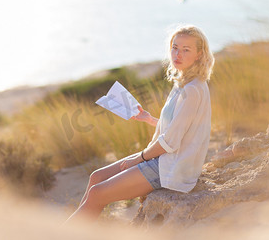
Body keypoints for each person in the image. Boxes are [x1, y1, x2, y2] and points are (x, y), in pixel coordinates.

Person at [66, 25, 215, 223]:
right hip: (164, 157)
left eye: (186, 50)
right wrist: (149, 119)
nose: (177, 54)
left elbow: (171, 142)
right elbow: (179, 128)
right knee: (96, 177)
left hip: (173, 167)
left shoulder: (193, 90)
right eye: (175, 47)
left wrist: (140, 158)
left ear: (199, 54)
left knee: (97, 193)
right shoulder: (183, 83)